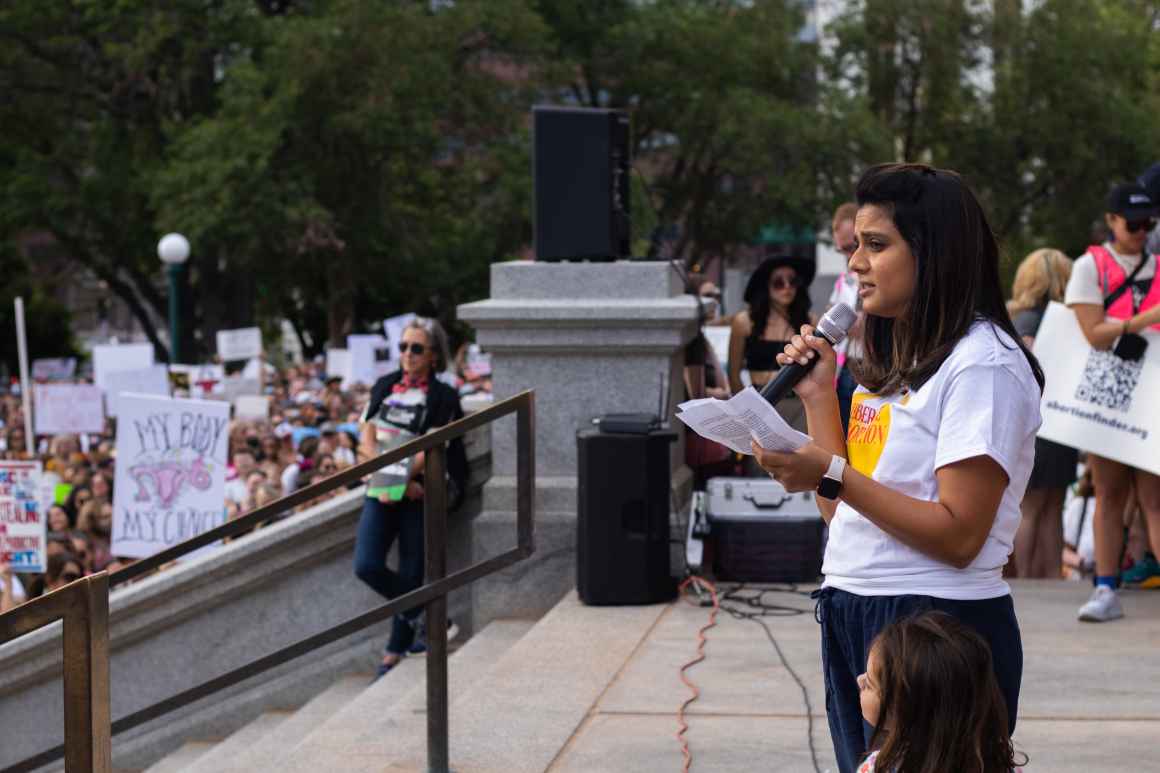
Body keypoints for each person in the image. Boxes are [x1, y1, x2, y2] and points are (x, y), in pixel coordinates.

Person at [751, 163, 1042, 773]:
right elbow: (841, 510)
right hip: (855, 608)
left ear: (934, 255)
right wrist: (818, 398)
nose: (855, 262)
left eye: (876, 245)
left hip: (934, 627)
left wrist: (833, 475)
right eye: (857, 243)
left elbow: (961, 534)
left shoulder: (982, 366)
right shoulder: (895, 363)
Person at [1064, 182, 1160, 620]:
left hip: (1152, 391)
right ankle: (1104, 589)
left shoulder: (1156, 264)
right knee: (1108, 492)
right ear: (1112, 221)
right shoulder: (1090, 266)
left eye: (1150, 223)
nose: (1142, 231)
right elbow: (1092, 333)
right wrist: (1145, 319)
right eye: (1134, 223)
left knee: (1153, 496)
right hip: (1109, 392)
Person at [353, 317, 467, 677]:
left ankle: (392, 654)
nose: (407, 354)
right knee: (367, 565)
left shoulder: (445, 397)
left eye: (416, 348)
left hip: (420, 493)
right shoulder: (384, 386)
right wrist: (388, 476)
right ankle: (430, 617)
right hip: (383, 488)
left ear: (433, 355)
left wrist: (402, 480)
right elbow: (365, 442)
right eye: (402, 347)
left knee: (412, 570)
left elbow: (431, 449)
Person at [855, 611, 1026, 773]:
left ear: (905, 709)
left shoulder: (877, 767)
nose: (859, 680)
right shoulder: (1001, 767)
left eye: (869, 684)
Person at [1007, 248, 1078, 578]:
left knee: (1032, 507)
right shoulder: (1065, 321)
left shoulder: (1025, 321)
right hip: (1062, 422)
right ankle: (1049, 574)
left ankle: (1027, 577)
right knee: (1052, 507)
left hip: (1038, 423)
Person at [727, 254, 816, 432]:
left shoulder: (809, 322)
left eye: (793, 281)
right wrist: (745, 410)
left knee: (800, 458)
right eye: (778, 283)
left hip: (799, 406)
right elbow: (733, 374)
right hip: (759, 404)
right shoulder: (744, 322)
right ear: (766, 287)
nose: (787, 287)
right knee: (759, 459)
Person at [828, 202, 863, 433]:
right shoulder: (844, 280)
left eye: (852, 247)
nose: (850, 258)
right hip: (845, 369)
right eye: (843, 250)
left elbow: (860, 326)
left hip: (871, 368)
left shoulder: (877, 276)